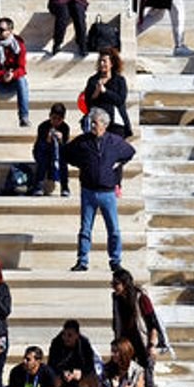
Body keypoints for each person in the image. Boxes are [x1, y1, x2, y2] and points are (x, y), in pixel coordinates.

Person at [63, 109, 135, 273]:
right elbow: (66, 153)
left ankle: (115, 260)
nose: (93, 125)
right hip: (88, 191)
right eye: (91, 122)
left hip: (108, 192)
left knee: (114, 229)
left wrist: (117, 164)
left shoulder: (114, 141)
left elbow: (130, 152)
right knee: (85, 229)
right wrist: (81, 164)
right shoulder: (83, 141)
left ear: (104, 124)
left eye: (96, 122)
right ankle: (82, 260)